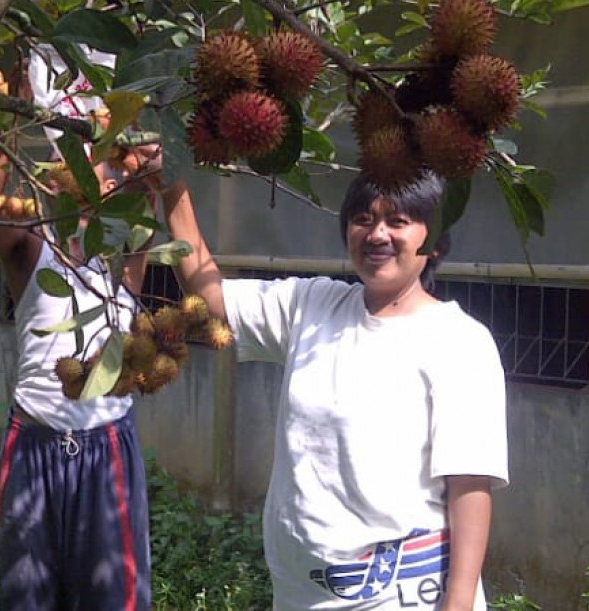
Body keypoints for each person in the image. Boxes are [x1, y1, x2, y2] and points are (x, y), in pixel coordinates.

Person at [160, 168, 508, 611]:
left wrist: (457, 604)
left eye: (398, 221)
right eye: (363, 218)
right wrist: (168, 187)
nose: (377, 233)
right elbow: (212, 301)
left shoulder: (458, 340)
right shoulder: (313, 306)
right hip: (304, 593)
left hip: (405, 594)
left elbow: (470, 485)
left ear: (435, 240)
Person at [0, 138, 155, 611]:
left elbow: (149, 200)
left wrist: (151, 168)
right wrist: (14, 109)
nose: (104, 170)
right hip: (35, 443)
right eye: (74, 154)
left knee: (114, 599)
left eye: (108, 160)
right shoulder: (34, 246)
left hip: (107, 447)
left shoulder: (122, 249)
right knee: (21, 598)